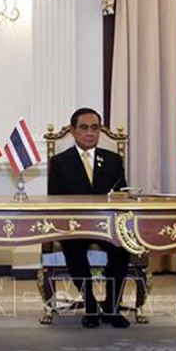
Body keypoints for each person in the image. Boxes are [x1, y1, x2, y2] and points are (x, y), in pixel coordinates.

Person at [48, 107, 130, 329]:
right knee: (73, 249)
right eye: (84, 128)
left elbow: (121, 195)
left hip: (108, 225)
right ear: (73, 131)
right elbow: (55, 199)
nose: (90, 133)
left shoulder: (113, 160)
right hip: (75, 226)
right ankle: (91, 305)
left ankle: (112, 307)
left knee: (122, 249)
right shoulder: (60, 162)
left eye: (95, 128)